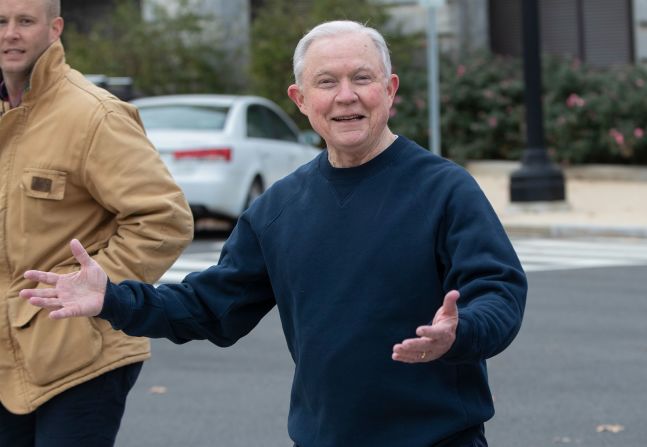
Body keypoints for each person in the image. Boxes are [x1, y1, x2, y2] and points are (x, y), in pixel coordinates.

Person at [21, 20, 527, 447]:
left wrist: (461, 332)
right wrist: (114, 299)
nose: (345, 96)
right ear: (300, 99)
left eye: (362, 78)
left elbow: (498, 290)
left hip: (439, 438)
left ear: (390, 90)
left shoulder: (444, 189)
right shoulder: (280, 208)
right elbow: (208, 307)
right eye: (326, 82)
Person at [0, 0, 194, 445]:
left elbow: (164, 220)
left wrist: (98, 290)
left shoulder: (94, 114)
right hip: (8, 360)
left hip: (79, 354)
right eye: (1, 21)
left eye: (25, 21)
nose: (11, 33)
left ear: (55, 28)